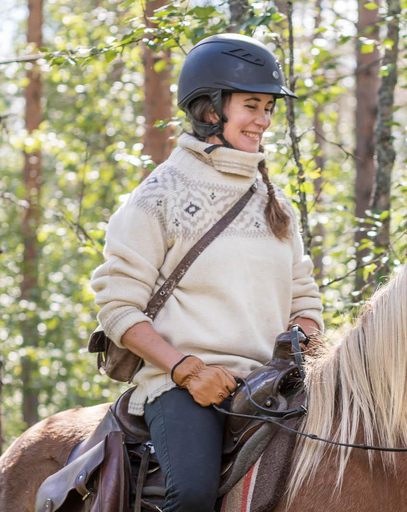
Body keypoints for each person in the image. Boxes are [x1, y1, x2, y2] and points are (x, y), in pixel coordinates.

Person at [90, 33, 323, 512]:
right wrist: (186, 369)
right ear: (211, 110)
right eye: (252, 106)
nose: (263, 120)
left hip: (273, 387)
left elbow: (305, 298)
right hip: (183, 389)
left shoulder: (275, 203)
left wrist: (298, 343)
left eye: (269, 108)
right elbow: (117, 306)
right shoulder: (160, 196)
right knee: (193, 497)